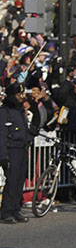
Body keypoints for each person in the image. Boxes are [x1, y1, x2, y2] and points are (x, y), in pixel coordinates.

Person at [0, 85, 32, 224]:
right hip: (11, 149)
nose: (21, 97)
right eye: (19, 94)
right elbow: (2, 134)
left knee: (20, 181)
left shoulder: (19, 110)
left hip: (21, 148)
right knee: (12, 181)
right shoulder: (4, 112)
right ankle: (6, 212)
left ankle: (15, 209)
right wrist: (3, 156)